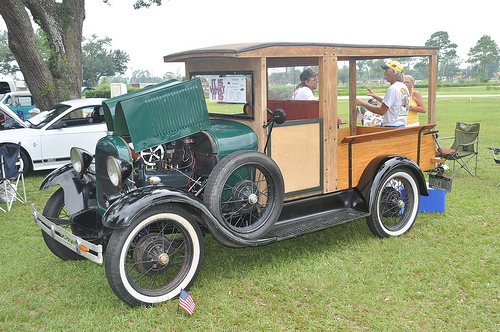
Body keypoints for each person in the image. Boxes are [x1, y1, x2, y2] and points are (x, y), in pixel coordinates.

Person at [356, 61, 409, 128]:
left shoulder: (393, 88)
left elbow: (381, 111)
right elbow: (392, 103)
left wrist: (363, 103)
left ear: (394, 72)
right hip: (401, 125)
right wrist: (376, 97)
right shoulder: (403, 87)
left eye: (387, 71)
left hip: (392, 127)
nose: (384, 74)